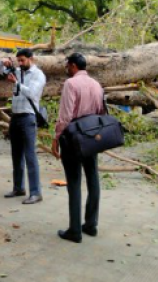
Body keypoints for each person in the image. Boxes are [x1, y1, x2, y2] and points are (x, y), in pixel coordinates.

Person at [52, 53, 104, 243]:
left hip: (73, 137)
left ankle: (74, 230)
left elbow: (65, 116)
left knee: (74, 183)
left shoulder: (71, 84)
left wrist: (56, 137)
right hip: (92, 137)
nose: (66, 68)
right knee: (93, 179)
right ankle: (91, 225)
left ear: (73, 66)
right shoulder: (97, 84)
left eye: (67, 65)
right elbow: (101, 112)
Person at [0, 48, 46, 204]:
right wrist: (2, 62)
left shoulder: (38, 75)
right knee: (16, 154)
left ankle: (36, 193)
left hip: (28, 117)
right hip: (15, 116)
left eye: (23, 60)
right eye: (18, 61)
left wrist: (16, 83)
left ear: (31, 59)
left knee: (30, 155)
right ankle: (18, 188)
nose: (20, 63)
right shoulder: (18, 71)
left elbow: (32, 93)